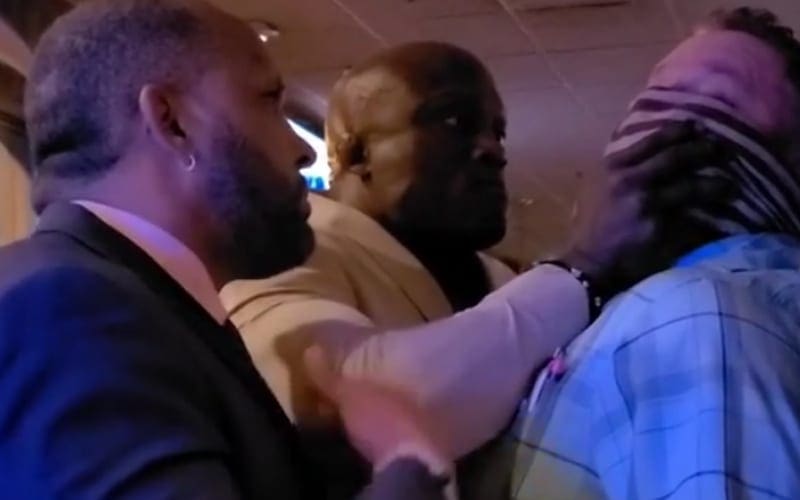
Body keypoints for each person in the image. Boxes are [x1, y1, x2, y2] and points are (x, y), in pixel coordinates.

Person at [222, 42, 733, 497]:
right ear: (356, 153)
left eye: (497, 132)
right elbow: (358, 406)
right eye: (452, 122)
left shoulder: (501, 280)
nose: (492, 151)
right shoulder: (286, 253)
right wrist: (586, 266)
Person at [0, 0, 465, 498]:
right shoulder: (72, 311)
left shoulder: (131, 305)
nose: (304, 150)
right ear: (172, 121)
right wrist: (409, 462)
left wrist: (329, 465)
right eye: (268, 99)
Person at [510, 7, 800, 499]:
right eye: (655, 91)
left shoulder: (698, 315)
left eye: (716, 97)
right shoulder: (629, 309)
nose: (659, 115)